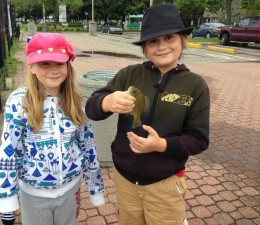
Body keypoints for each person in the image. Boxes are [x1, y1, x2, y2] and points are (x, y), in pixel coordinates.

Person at [85, 3, 210, 225]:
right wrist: (107, 101)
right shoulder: (129, 75)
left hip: (165, 184)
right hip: (124, 180)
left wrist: (160, 145)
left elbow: (199, 140)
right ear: (145, 47)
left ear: (183, 39)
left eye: (169, 38)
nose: (162, 46)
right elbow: (91, 109)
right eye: (153, 41)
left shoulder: (195, 85)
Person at [0, 33, 105, 225]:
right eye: (45, 63)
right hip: (33, 195)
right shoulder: (19, 102)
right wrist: (6, 198)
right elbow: (9, 150)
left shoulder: (76, 103)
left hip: (71, 191)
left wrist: (95, 187)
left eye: (60, 63)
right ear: (31, 66)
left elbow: (88, 147)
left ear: (68, 67)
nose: (54, 70)